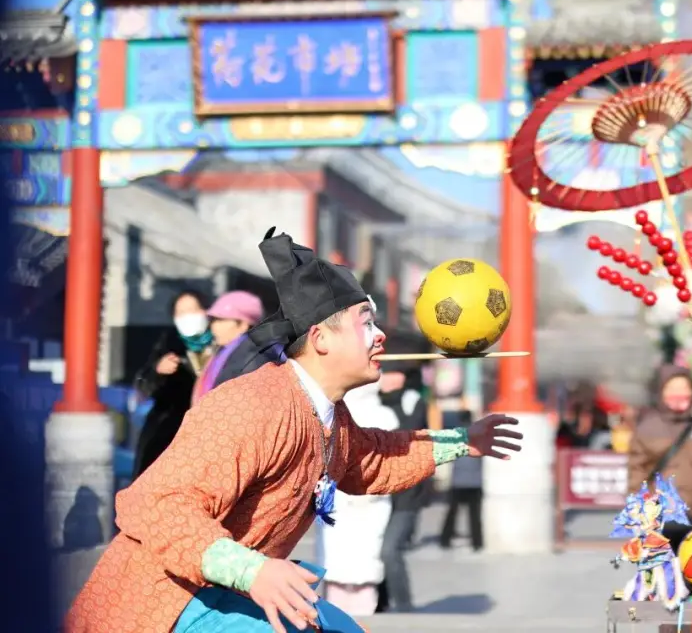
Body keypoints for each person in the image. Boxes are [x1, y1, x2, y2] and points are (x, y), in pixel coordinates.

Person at [65, 229, 523, 633]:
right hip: (161, 603)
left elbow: (373, 459)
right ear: (321, 339)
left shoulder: (329, 415)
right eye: (367, 324)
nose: (381, 336)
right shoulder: (252, 404)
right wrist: (254, 572)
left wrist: (464, 441)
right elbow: (157, 506)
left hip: (227, 593)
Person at [317, 382, 397, 617]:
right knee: (336, 561)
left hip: (370, 502)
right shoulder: (328, 412)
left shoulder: (383, 416)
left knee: (365, 560)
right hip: (337, 501)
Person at [627, 365, 692, 551]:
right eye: (672, 388)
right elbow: (636, 471)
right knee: (660, 574)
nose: (679, 394)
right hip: (657, 517)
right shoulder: (646, 429)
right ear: (661, 392)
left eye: (684, 388)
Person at [132, 289, 213, 478]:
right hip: (172, 435)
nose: (188, 317)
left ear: (206, 311)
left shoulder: (224, 343)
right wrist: (157, 372)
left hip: (216, 433)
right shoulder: (168, 345)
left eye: (192, 310)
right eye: (181, 313)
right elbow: (143, 387)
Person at [377, 345, 431, 613]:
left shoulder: (412, 400)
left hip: (406, 494)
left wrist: (391, 402)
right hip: (377, 493)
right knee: (371, 550)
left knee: (390, 550)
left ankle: (405, 605)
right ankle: (381, 603)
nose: (388, 378)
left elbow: (407, 434)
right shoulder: (369, 398)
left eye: (394, 373)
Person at [191, 290, 264, 406]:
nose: (213, 326)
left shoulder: (256, 357)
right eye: (213, 320)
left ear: (243, 324)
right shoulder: (223, 351)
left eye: (220, 320)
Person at [439, 409, 484, 552]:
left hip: (458, 481)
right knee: (475, 514)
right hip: (475, 481)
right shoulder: (479, 435)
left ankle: (445, 539)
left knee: (452, 513)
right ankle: (477, 542)